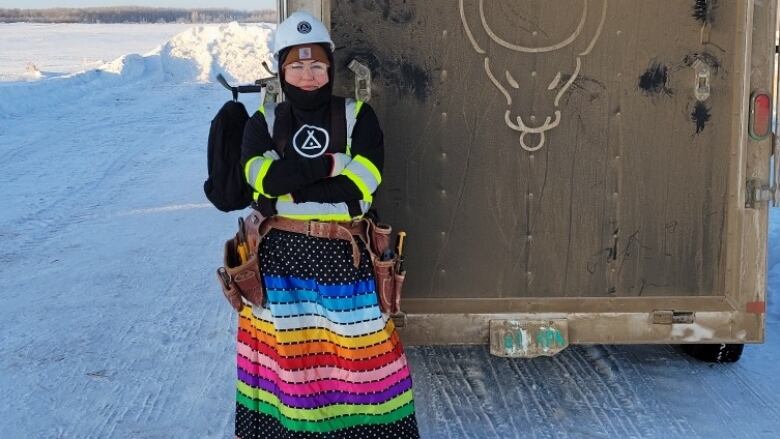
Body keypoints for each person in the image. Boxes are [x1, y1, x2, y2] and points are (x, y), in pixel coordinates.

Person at [234, 11, 421, 439]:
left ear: (330, 68)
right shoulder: (261, 121)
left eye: (316, 64)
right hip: (279, 263)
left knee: (360, 364)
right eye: (296, 65)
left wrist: (292, 188)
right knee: (290, 367)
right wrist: (332, 165)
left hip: (347, 259)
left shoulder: (359, 115)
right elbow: (260, 181)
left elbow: (363, 185)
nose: (307, 74)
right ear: (281, 69)